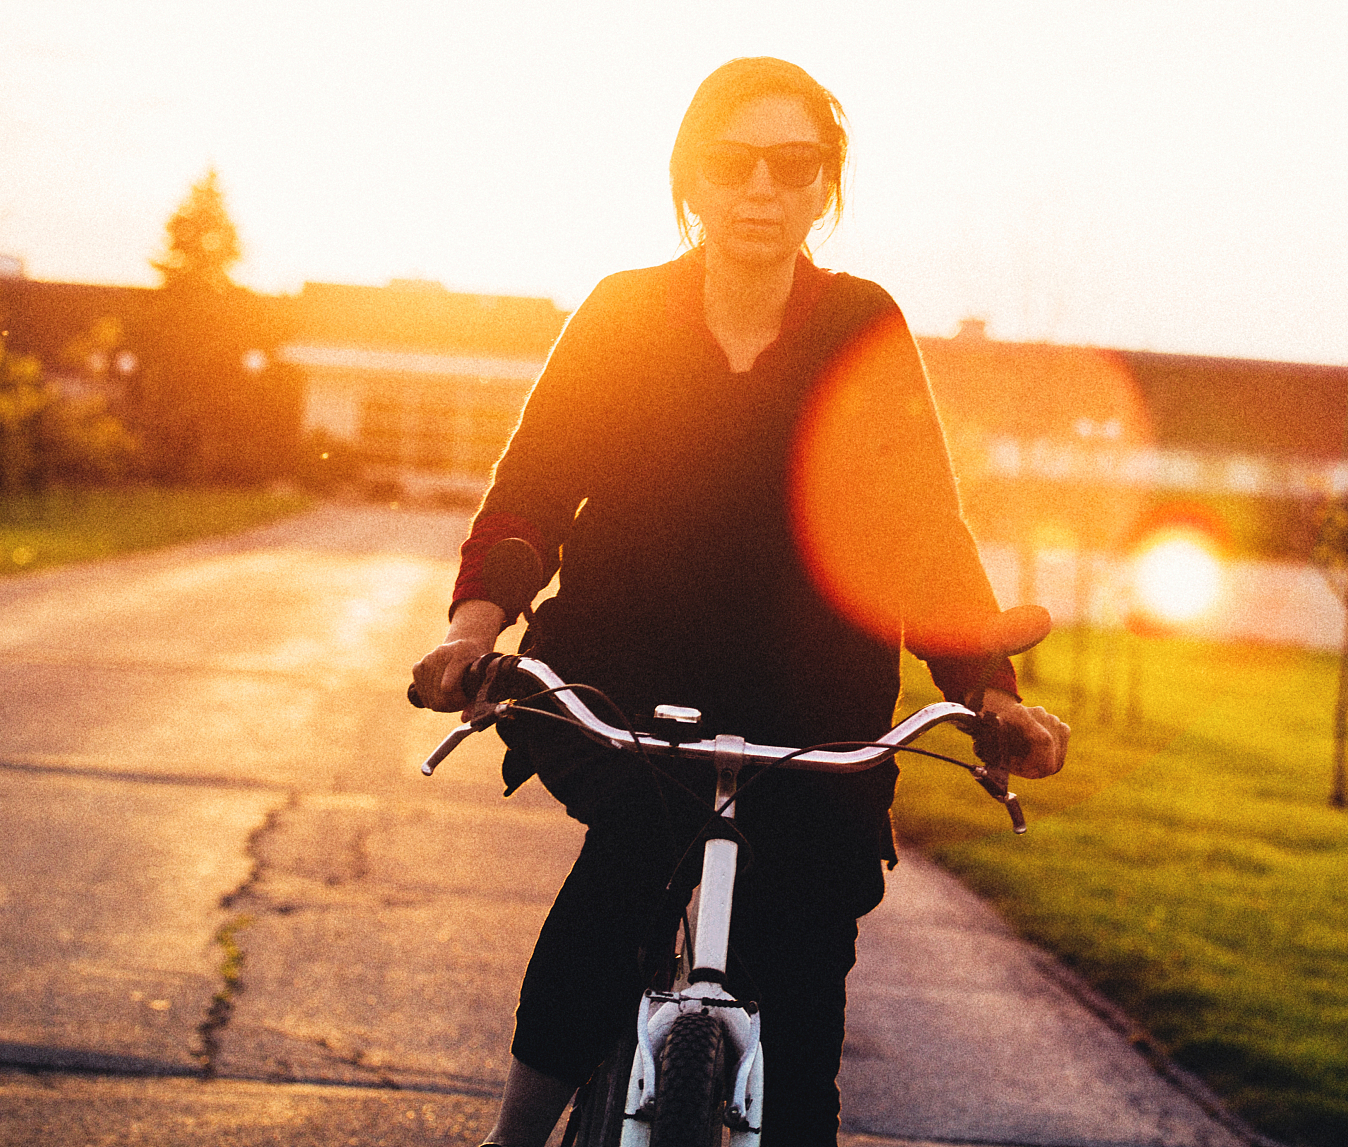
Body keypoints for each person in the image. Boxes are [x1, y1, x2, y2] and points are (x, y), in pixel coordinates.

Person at [411, 57, 1069, 1147]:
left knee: (804, 983)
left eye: (793, 165)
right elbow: (528, 499)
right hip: (620, 685)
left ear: (823, 188)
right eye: (732, 162)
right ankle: (513, 1140)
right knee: (625, 867)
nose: (761, 187)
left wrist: (989, 693)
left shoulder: (861, 325)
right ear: (692, 179)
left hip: (810, 707)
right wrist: (468, 634)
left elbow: (919, 532)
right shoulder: (622, 314)